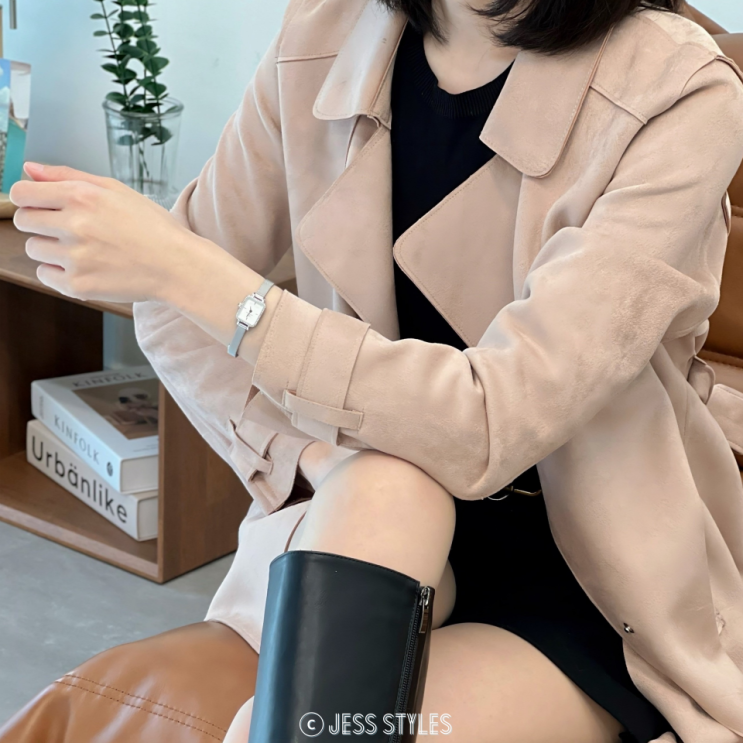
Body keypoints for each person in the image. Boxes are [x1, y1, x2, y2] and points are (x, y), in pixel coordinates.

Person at [8, 0, 743, 740]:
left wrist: (206, 281)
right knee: (389, 488)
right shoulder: (326, 31)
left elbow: (498, 418)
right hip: (377, 506)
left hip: (583, 566)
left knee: (317, 727)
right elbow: (174, 311)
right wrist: (313, 459)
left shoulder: (679, 89)